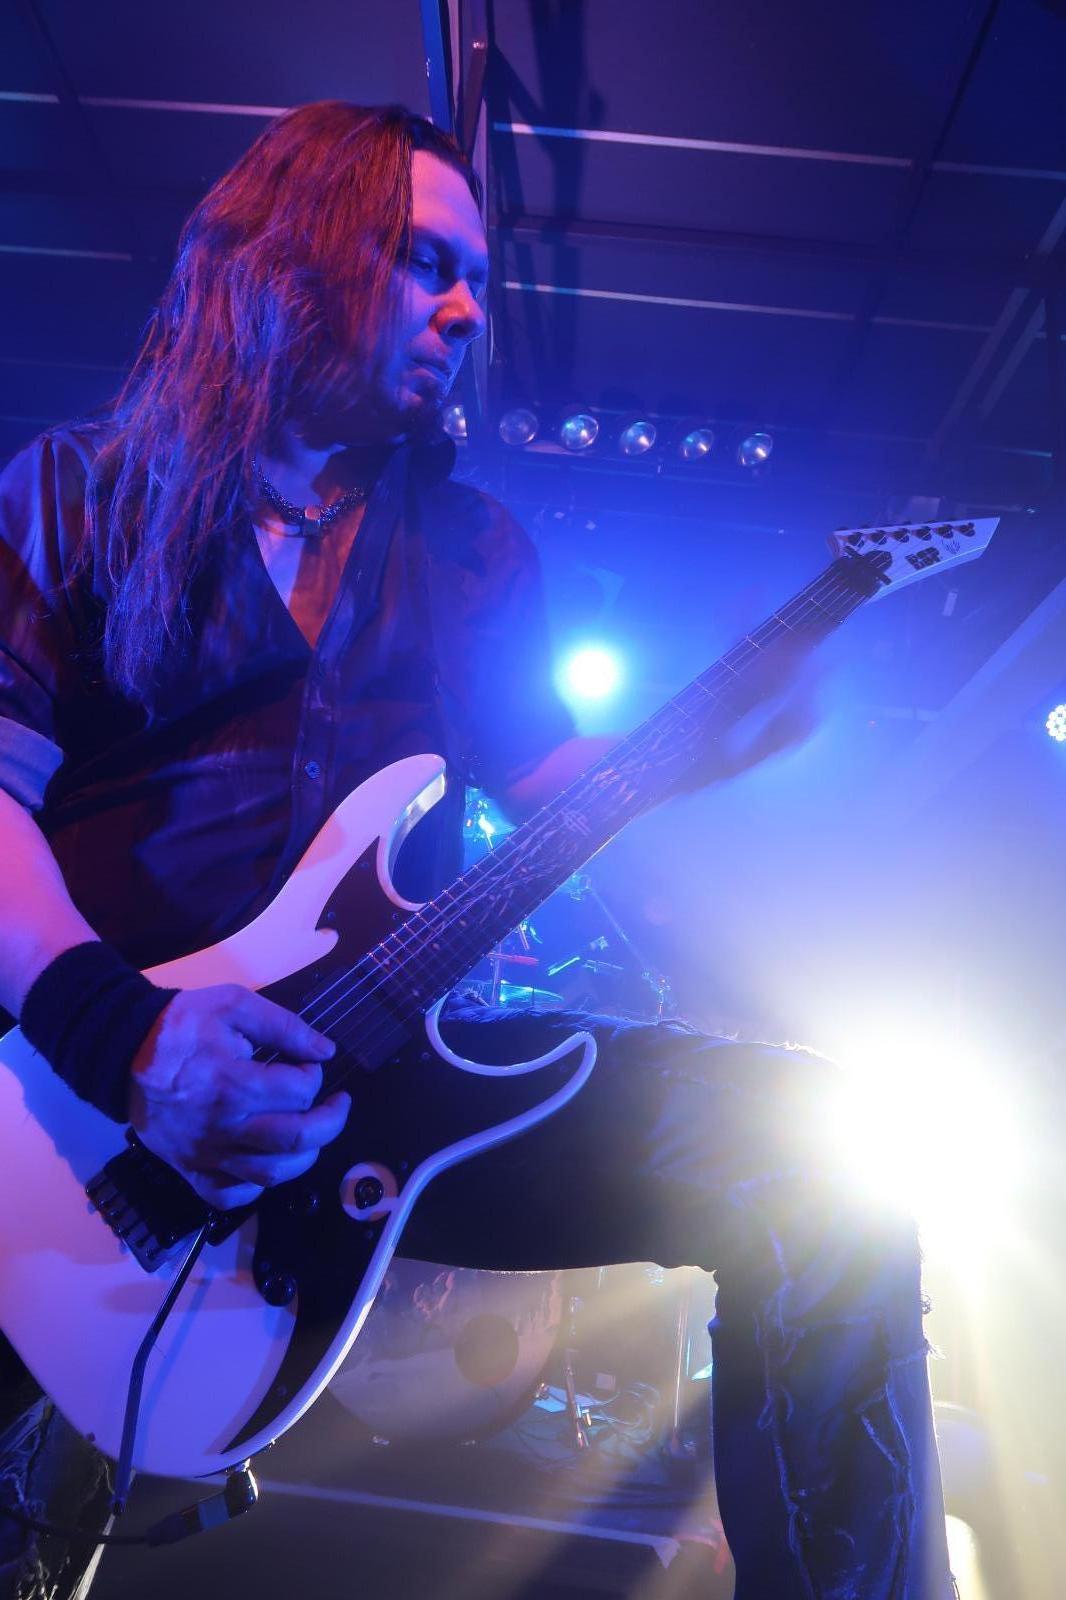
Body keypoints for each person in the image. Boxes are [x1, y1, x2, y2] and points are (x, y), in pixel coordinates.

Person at [0, 102, 953, 1599]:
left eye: (478, 280)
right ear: (290, 256)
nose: (465, 310)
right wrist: (123, 1036)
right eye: (424, 262)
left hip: (382, 1068)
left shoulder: (472, 548)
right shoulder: (74, 493)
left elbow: (549, 774)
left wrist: (712, 741)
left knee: (812, 1167)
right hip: (78, 1103)